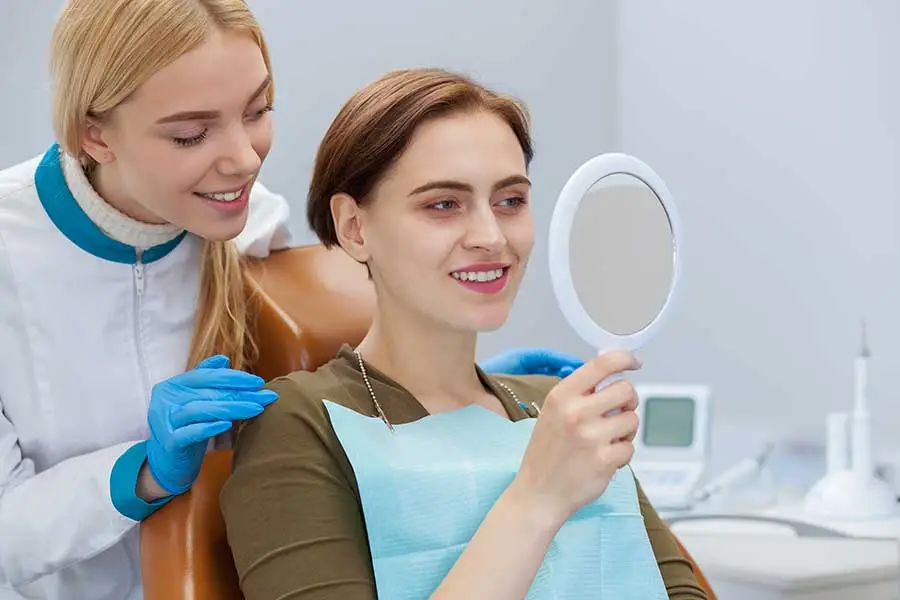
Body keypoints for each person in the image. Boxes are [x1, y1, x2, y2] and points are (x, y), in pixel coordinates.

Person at [0, 2, 579, 599]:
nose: (245, 159)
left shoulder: (243, 220)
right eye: (190, 134)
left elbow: (327, 395)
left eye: (256, 112)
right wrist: (140, 472)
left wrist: (449, 393)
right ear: (95, 134)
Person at [221, 68, 708, 600]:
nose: (491, 237)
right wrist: (537, 497)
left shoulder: (562, 410)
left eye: (510, 201)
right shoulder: (297, 424)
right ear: (355, 228)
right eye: (443, 205)